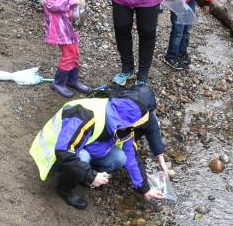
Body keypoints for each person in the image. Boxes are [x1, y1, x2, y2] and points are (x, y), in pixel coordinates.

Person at [30, 89, 164, 210]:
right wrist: (91, 175)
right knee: (83, 158)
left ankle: (82, 175)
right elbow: (64, 151)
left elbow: (131, 156)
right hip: (56, 153)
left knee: (120, 157)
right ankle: (65, 189)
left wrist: (145, 189)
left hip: (86, 146)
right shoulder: (84, 114)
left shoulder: (124, 123)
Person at [43, 0, 91, 97]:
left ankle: (73, 79)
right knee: (69, 54)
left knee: (75, 52)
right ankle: (58, 82)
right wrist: (71, 1)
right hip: (61, 25)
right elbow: (49, 4)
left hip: (72, 22)